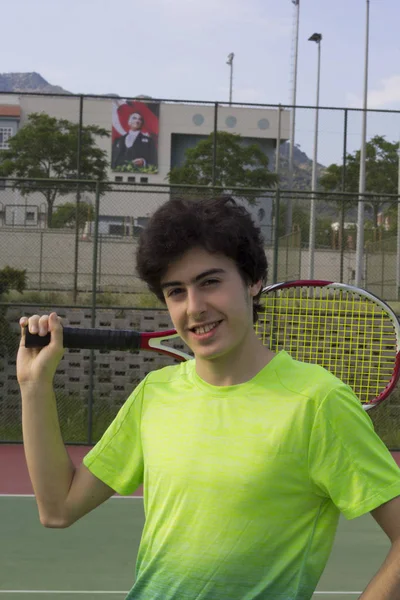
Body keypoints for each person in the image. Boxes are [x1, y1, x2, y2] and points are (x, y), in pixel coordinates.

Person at [17, 196, 400, 600]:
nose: (195, 308)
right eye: (176, 292)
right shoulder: (156, 394)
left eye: (210, 282)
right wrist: (34, 385)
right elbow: (58, 508)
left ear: (253, 282)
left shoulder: (318, 403)